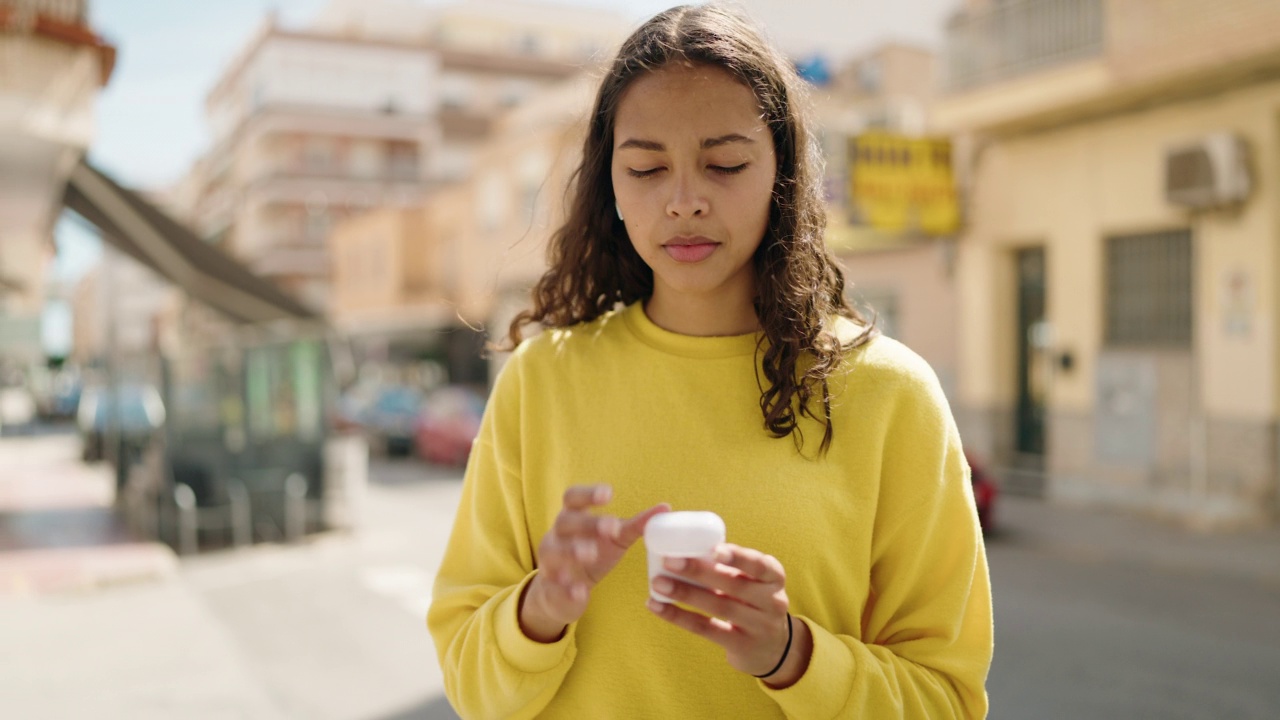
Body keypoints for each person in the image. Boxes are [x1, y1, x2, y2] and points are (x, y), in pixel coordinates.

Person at [427, 4, 993, 718]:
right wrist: (538, 612)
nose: (685, 201)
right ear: (611, 186)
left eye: (725, 164)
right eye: (646, 168)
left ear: (782, 171)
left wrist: (792, 655)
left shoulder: (892, 396)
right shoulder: (540, 383)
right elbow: (470, 685)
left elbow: (947, 701)